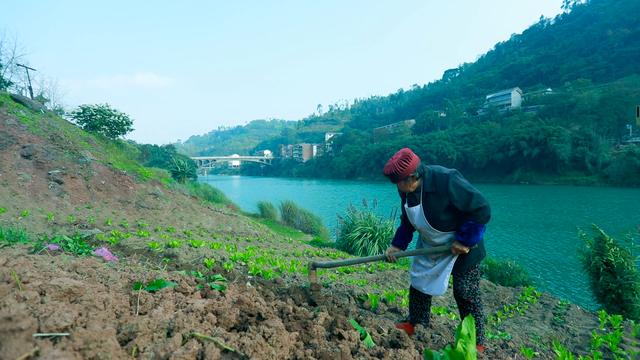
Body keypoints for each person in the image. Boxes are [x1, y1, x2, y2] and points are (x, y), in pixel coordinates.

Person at [382, 147, 490, 351]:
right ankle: (416, 323)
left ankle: (476, 339)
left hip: (461, 245)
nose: (397, 187)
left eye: (399, 183)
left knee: (465, 291)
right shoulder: (406, 188)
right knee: (419, 281)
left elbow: (481, 209)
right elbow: (408, 221)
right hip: (431, 243)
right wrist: (397, 245)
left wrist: (465, 239)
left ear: (412, 177)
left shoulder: (447, 180)